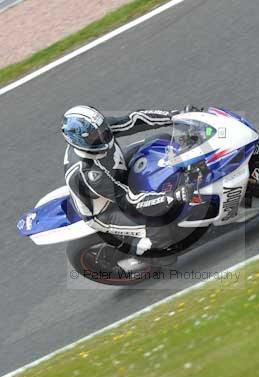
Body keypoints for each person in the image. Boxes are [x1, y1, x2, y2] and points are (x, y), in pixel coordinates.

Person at [62, 105, 198, 269]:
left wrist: (174, 116)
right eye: (94, 136)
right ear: (80, 141)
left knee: (160, 141)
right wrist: (172, 197)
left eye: (102, 130)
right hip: (106, 209)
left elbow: (135, 119)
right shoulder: (91, 173)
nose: (102, 136)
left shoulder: (100, 130)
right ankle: (141, 253)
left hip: (116, 170)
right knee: (158, 229)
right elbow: (130, 201)